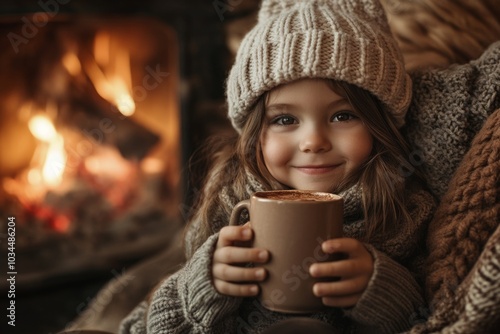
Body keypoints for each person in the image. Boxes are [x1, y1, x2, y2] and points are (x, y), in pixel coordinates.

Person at [119, 0, 439, 333]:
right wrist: (204, 285)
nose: (313, 141)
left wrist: (380, 286)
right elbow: (156, 325)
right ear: (255, 136)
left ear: (379, 125)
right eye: (285, 119)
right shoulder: (225, 210)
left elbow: (432, 315)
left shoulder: (406, 213)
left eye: (343, 116)